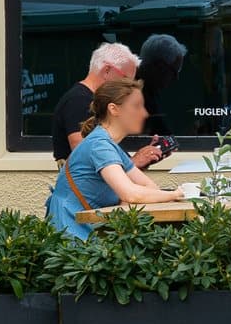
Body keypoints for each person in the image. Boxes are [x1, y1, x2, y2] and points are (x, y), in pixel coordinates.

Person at [43, 78, 187, 240]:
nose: (145, 113)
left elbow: (149, 187)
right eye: (136, 106)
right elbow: (131, 194)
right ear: (114, 109)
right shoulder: (99, 145)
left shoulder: (110, 145)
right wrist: (175, 194)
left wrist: (132, 199)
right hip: (70, 235)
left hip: (85, 232)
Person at [51, 42, 164, 168]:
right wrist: (134, 162)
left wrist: (143, 158)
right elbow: (86, 157)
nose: (128, 87)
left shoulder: (93, 101)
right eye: (125, 79)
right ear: (107, 71)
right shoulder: (79, 101)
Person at [135, 33, 187, 136]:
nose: (175, 79)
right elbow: (161, 131)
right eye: (174, 71)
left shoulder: (147, 91)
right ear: (160, 66)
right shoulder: (132, 95)